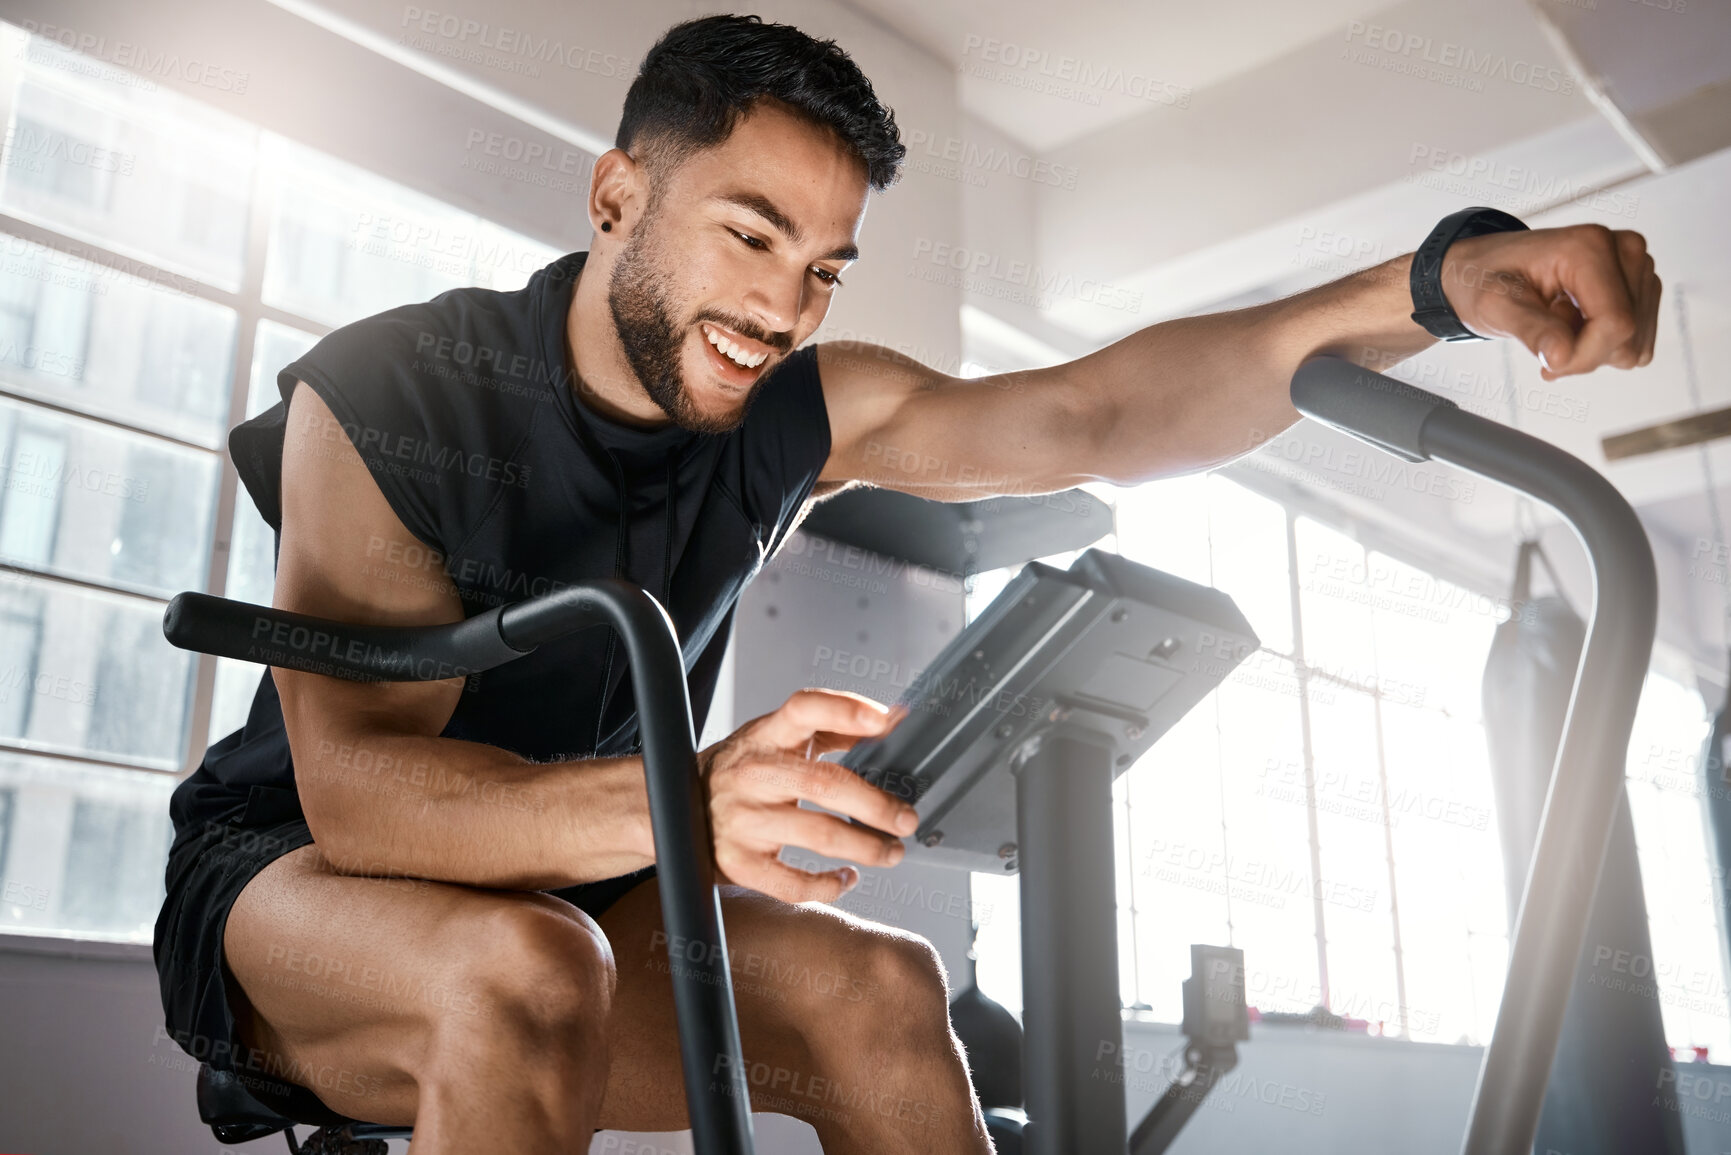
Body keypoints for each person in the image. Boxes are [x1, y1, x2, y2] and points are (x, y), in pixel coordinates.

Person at [153, 12, 1661, 1155]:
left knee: (885, 991)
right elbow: (362, 802)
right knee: (524, 964)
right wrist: (684, 799)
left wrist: (1431, 286)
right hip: (294, 889)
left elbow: (1100, 416)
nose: (779, 306)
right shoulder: (389, 393)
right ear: (619, 195)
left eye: (822, 267)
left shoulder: (796, 413)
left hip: (586, 890)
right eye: (749, 234)